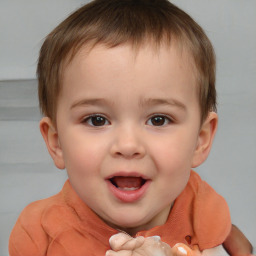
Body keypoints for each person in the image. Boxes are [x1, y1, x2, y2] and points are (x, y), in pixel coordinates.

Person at [9, 0, 253, 255]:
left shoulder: (204, 210)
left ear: (200, 140)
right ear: (56, 142)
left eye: (158, 120)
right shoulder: (39, 235)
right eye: (97, 120)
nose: (127, 145)